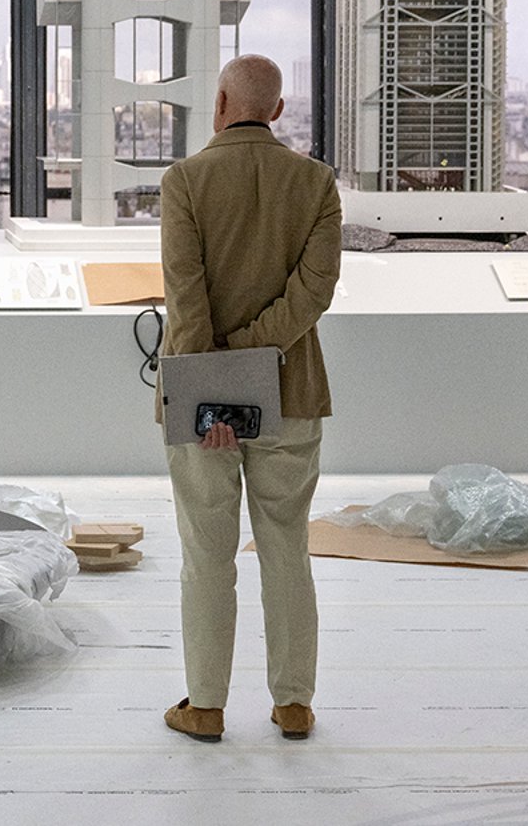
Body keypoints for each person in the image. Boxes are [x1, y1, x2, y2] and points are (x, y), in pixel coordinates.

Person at [157, 53, 342, 744]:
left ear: (221, 101)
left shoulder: (185, 182)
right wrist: (256, 362)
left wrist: (217, 394)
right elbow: (311, 296)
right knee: (286, 546)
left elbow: (187, 297)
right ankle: (293, 702)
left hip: (199, 402)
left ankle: (205, 704)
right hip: (292, 394)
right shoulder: (317, 183)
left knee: (207, 551)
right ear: (279, 111)